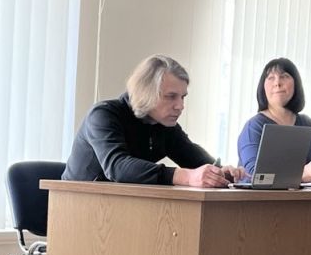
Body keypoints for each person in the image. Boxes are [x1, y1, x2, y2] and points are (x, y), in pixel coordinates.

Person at [63, 55, 244, 187]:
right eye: (171, 96)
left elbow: (193, 158)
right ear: (145, 93)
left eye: (183, 97)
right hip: (77, 208)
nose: (180, 106)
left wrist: (220, 173)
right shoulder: (103, 115)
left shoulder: (163, 124)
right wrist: (186, 177)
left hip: (122, 208)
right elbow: (118, 167)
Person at [236, 58, 311, 182]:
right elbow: (256, 175)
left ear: (296, 84)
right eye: (271, 78)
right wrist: (304, 173)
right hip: (260, 195)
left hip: (302, 195)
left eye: (284, 76)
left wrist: (306, 175)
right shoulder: (254, 126)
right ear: (263, 87)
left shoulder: (307, 123)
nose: (277, 83)